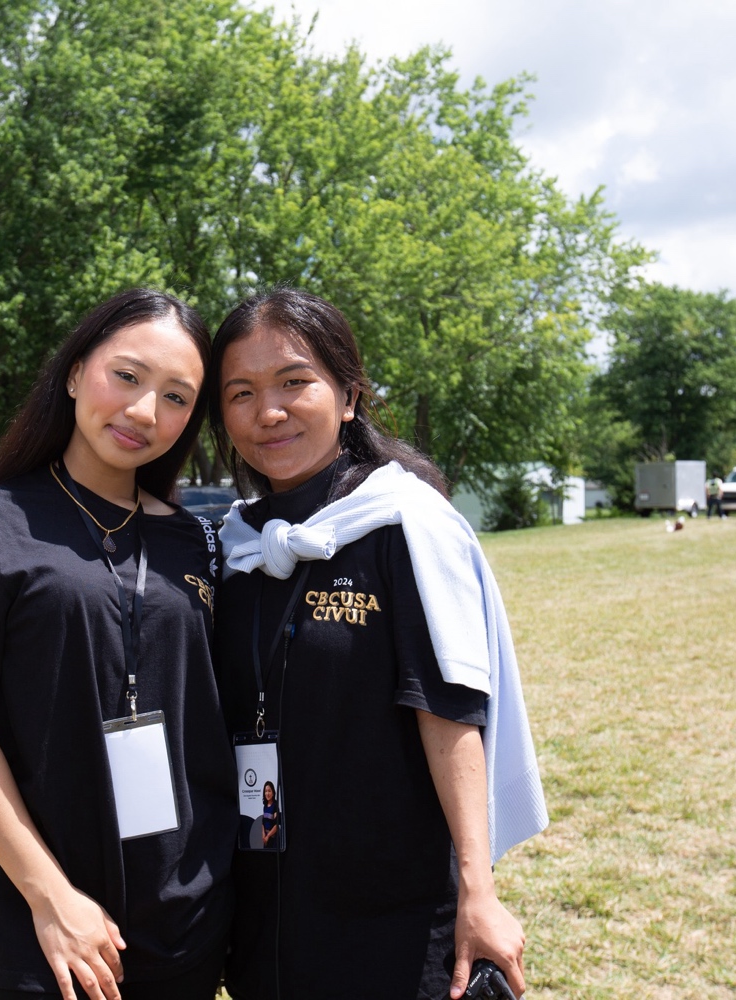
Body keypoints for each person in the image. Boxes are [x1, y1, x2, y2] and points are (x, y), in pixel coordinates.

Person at [0, 290, 235, 1000]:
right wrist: (51, 898)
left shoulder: (197, 540)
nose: (144, 411)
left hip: (188, 913)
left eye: (176, 396)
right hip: (48, 927)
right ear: (74, 373)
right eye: (126, 376)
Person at [208, 289, 544, 1000]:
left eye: (294, 382)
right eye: (241, 393)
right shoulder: (235, 550)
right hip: (265, 907)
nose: (269, 412)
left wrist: (478, 888)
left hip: (393, 914)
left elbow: (449, 711)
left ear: (349, 397)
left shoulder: (403, 525)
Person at [259, 782, 280, 848]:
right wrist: (263, 834)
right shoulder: (265, 806)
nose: (267, 793)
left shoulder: (275, 806)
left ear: (273, 793)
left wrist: (268, 836)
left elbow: (276, 825)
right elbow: (263, 822)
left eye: (269, 791)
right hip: (265, 839)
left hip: (273, 838)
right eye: (266, 791)